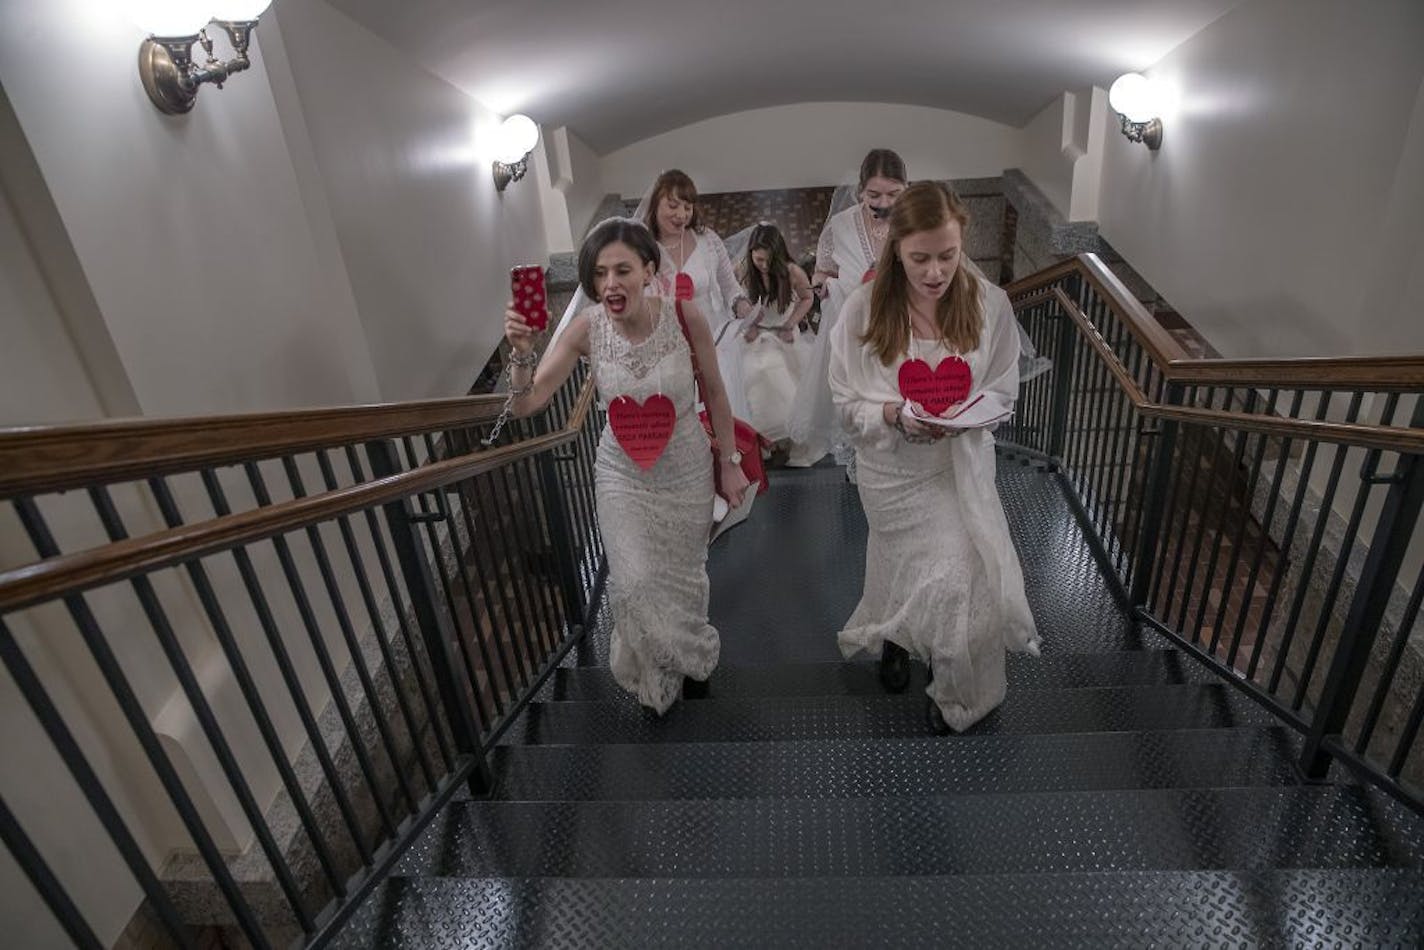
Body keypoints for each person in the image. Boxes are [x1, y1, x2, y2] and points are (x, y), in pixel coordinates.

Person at [502, 218, 750, 714]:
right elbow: (526, 405)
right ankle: (661, 669)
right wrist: (523, 353)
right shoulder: (584, 330)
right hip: (621, 475)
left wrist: (730, 462)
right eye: (599, 274)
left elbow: (717, 394)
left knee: (683, 575)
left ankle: (693, 656)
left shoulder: (684, 316)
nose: (610, 283)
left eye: (622, 270)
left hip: (685, 469)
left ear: (648, 271)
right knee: (634, 581)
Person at [828, 181, 1040, 733]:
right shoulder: (862, 311)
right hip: (891, 474)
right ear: (896, 249)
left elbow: (1002, 388)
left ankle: (956, 690)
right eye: (920, 258)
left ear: (962, 240)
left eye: (947, 255)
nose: (935, 272)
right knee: (912, 564)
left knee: (956, 576)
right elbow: (846, 403)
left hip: (956, 468)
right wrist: (894, 415)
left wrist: (968, 416)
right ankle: (898, 636)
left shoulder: (988, 302)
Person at [787, 148, 909, 473]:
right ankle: (864, 469)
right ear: (860, 191)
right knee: (860, 404)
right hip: (853, 329)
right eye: (874, 194)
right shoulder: (840, 226)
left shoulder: (914, 222)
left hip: (905, 326)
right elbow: (823, 271)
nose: (884, 203)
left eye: (893, 194)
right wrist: (826, 287)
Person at [640, 170, 755, 419]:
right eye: (673, 205)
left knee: (719, 412)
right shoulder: (641, 248)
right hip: (665, 350)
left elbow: (730, 286)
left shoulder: (708, 239)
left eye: (688, 207)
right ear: (655, 204)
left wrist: (742, 306)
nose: (681, 214)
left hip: (712, 342)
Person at [736, 223, 816, 458]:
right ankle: (763, 439)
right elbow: (732, 298)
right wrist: (747, 323)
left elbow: (807, 297)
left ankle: (789, 437)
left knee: (785, 382)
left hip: (783, 332)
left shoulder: (792, 271)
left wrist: (791, 323)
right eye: (759, 260)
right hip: (756, 334)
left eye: (769, 261)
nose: (764, 266)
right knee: (756, 379)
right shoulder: (743, 269)